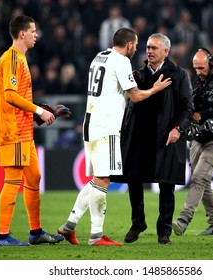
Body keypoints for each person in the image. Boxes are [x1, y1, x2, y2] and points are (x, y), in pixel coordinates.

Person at [57, 28, 171, 246]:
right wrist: (155, 89)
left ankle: (69, 226)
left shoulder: (98, 57)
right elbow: (135, 96)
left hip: (90, 123)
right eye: (136, 45)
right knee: (103, 179)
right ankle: (96, 235)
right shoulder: (121, 61)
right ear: (128, 45)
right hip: (106, 125)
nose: (137, 48)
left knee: (97, 179)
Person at [112, 33, 194, 244]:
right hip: (139, 137)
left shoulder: (179, 75)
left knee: (167, 184)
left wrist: (178, 128)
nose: (149, 51)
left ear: (166, 51)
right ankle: (138, 222)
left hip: (166, 137)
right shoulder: (137, 74)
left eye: (154, 48)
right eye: (147, 47)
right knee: (134, 179)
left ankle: (164, 229)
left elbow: (188, 107)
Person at [0, 15, 64, 246]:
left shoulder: (20, 59)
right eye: (33, 31)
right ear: (22, 34)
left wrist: (43, 110)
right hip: (12, 132)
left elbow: (18, 97)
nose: (36, 35)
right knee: (12, 181)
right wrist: (39, 112)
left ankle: (36, 232)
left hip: (24, 131)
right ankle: (2, 236)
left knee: (34, 177)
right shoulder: (11, 58)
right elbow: (10, 96)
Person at [172, 48, 213, 236]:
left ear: (211, 64)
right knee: (203, 181)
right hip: (198, 138)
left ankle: (184, 219)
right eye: (195, 68)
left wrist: (203, 116)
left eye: (201, 68)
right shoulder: (199, 83)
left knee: (199, 178)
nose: (198, 72)